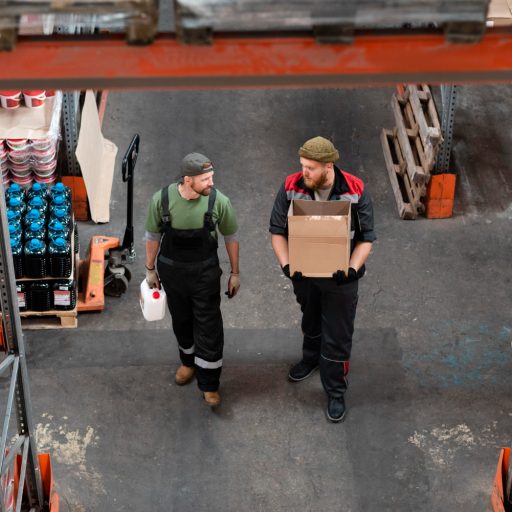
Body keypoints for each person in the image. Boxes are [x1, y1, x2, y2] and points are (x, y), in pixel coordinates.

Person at [269, 136, 376, 422]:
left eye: (311, 168)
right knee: (311, 319)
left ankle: (336, 392)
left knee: (337, 336)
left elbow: (367, 238)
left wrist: (352, 269)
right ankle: (310, 359)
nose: (304, 172)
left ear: (329, 166)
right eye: (303, 165)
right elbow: (277, 231)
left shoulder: (355, 190)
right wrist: (287, 265)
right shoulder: (291, 185)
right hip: (304, 274)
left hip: (342, 278)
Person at [144, 152, 240, 407]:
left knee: (208, 326)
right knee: (182, 321)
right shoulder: (162, 200)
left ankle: (209, 384)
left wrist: (235, 273)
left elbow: (231, 237)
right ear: (188, 180)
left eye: (212, 177)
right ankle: (188, 362)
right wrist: (150, 269)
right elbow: (152, 236)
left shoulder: (219, 202)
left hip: (205, 274)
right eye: (206, 178)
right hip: (172, 273)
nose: (211, 182)